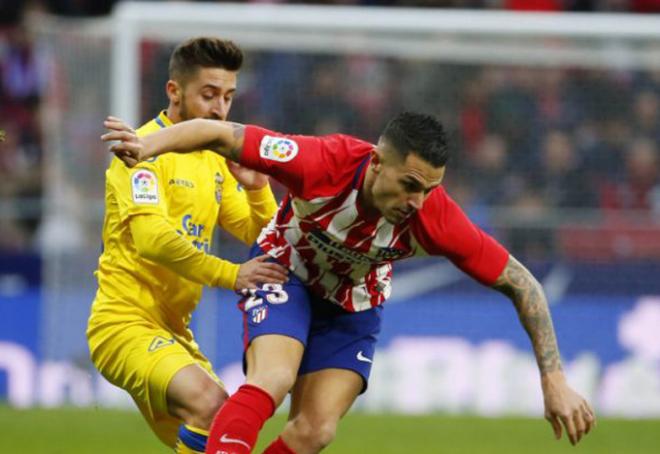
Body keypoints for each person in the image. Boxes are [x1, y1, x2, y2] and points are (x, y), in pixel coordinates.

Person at [103, 111, 596, 454]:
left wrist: (553, 379)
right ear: (377, 161)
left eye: (430, 190)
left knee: (315, 431)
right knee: (272, 379)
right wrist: (147, 146)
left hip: (354, 303)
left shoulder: (434, 217)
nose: (418, 201)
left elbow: (521, 282)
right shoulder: (321, 161)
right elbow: (222, 133)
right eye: (410, 185)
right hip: (286, 271)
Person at [87, 37, 287, 454]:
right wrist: (232, 275)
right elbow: (153, 240)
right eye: (209, 95)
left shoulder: (214, 159)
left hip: (175, 332)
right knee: (213, 406)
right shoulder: (139, 152)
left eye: (229, 97)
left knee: (225, 435)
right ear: (174, 91)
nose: (220, 110)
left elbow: (269, 238)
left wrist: (257, 189)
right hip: (123, 324)